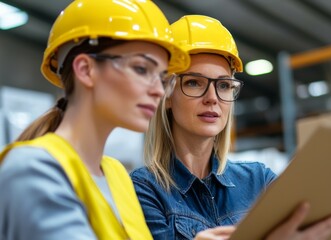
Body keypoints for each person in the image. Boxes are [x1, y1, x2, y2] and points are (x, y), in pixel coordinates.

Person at [130, 15, 331, 240]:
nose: (212, 98)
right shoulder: (144, 189)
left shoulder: (258, 180)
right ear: (167, 94)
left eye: (224, 85)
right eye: (194, 82)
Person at [0, 0, 190, 239]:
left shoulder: (116, 173)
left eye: (163, 78)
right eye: (142, 69)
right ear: (86, 69)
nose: (159, 91)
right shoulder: (31, 169)